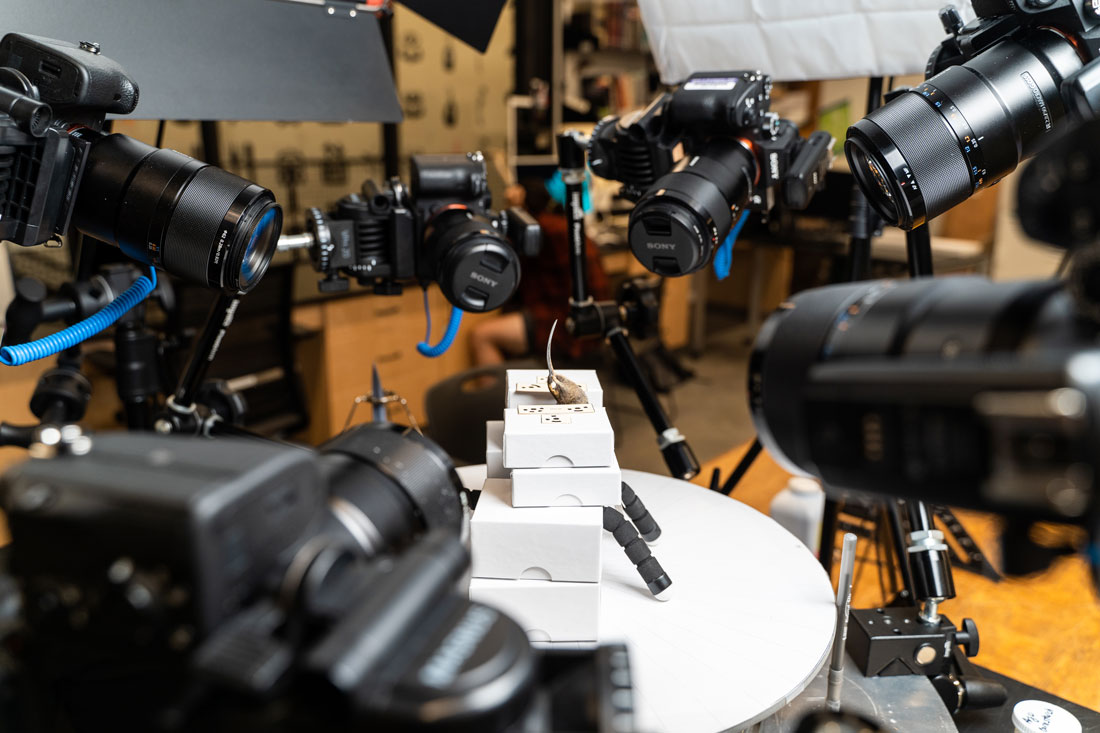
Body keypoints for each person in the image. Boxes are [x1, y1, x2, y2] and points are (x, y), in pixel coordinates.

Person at [470, 176, 610, 365]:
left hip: (561, 321)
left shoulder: (539, 229)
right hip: (591, 319)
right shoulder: (561, 224)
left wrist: (513, 210)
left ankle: (496, 395)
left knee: (482, 335)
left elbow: (505, 256)